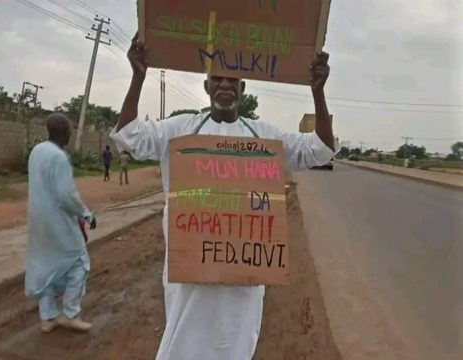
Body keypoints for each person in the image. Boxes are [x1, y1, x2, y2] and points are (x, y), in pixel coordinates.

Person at [110, 33, 339, 360]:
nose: (225, 85)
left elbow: (320, 150)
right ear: (206, 87)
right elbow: (129, 136)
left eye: (233, 80)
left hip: (242, 279)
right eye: (217, 78)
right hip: (190, 275)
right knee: (184, 343)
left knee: (233, 343)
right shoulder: (181, 129)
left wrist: (317, 92)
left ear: (243, 89)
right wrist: (138, 76)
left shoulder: (264, 135)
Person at [26, 113, 97, 334]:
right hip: (59, 224)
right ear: (64, 133)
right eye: (69, 131)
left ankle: (47, 317)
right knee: (79, 264)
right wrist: (86, 214)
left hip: (38, 222)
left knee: (45, 266)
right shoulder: (59, 157)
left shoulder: (37, 151)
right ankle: (70, 314)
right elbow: (65, 195)